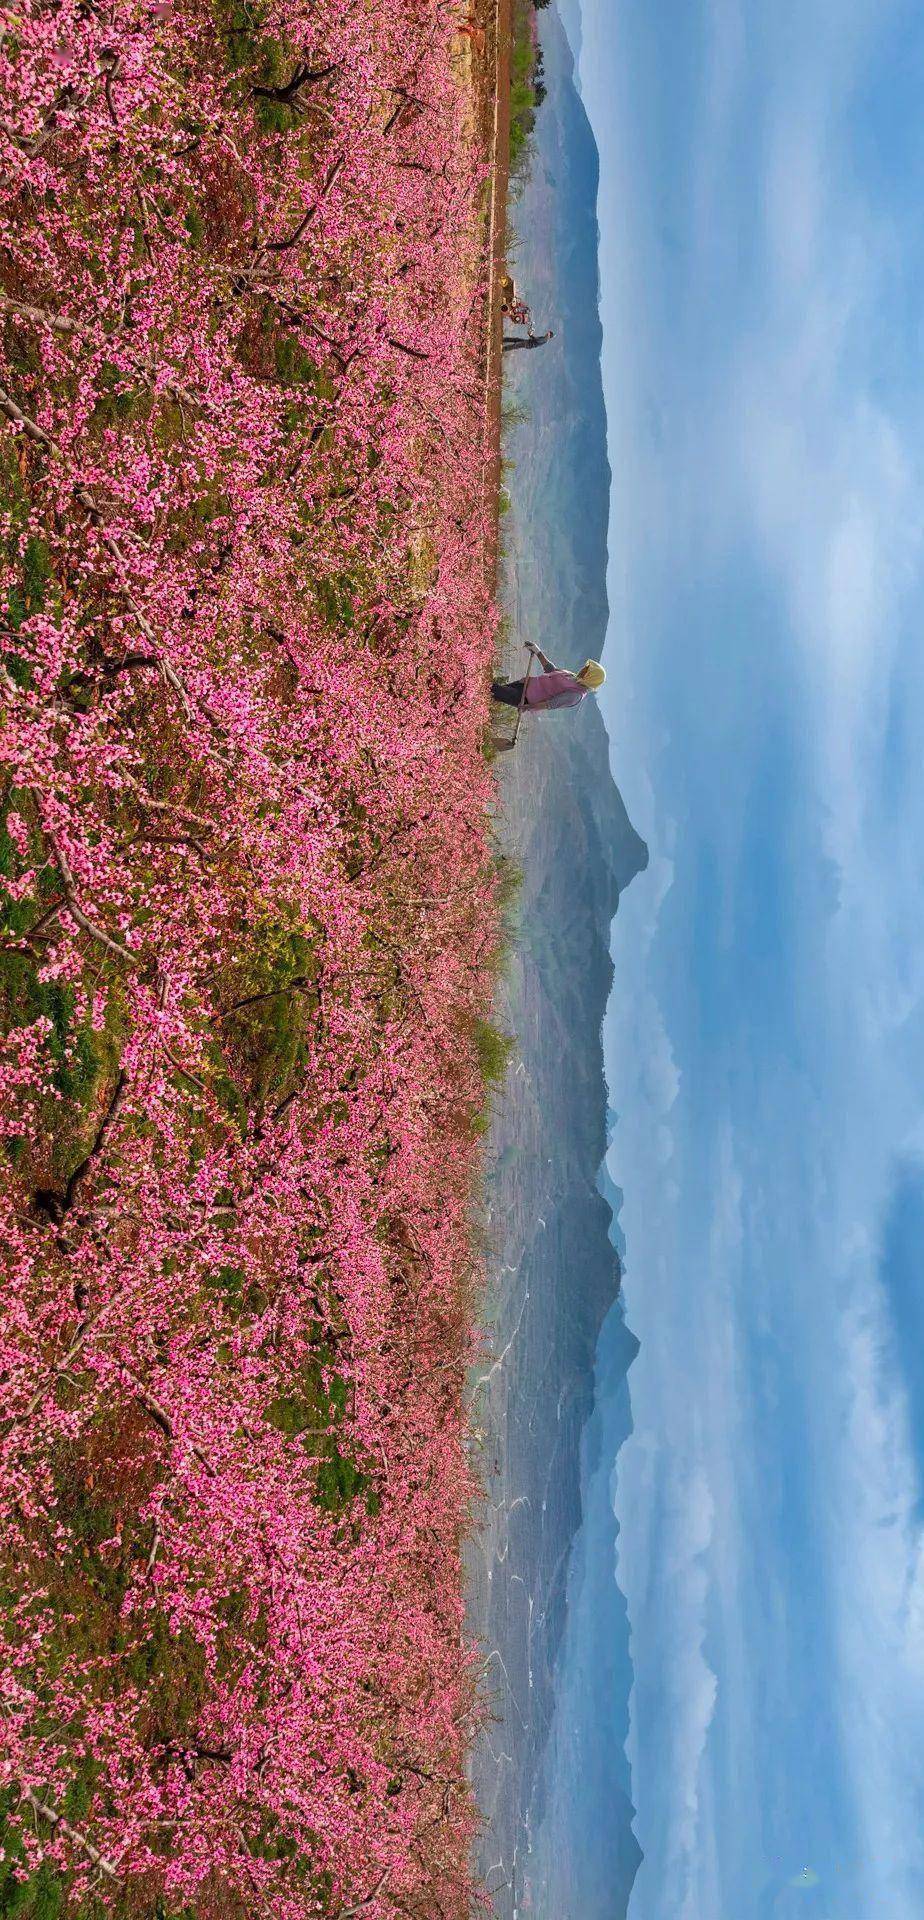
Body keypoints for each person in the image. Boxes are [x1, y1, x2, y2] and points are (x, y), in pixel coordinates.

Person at [491, 646, 605, 712]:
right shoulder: (573, 677)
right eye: (586, 667)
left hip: (524, 698)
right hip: (523, 685)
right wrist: (537, 651)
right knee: (493, 693)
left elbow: (550, 704)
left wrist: (527, 707)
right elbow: (551, 669)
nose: (583, 669)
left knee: (492, 689)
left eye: (587, 670)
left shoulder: (576, 695)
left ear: (591, 678)